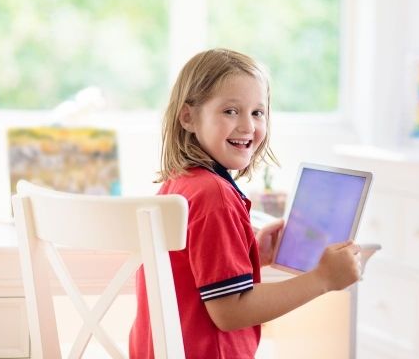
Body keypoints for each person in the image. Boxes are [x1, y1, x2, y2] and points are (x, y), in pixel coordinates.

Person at [129, 48, 362, 358]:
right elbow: (230, 312)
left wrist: (251, 253)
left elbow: (194, 276)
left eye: (258, 112)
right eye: (230, 111)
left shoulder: (181, 183)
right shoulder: (215, 195)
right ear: (188, 117)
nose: (248, 126)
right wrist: (322, 279)